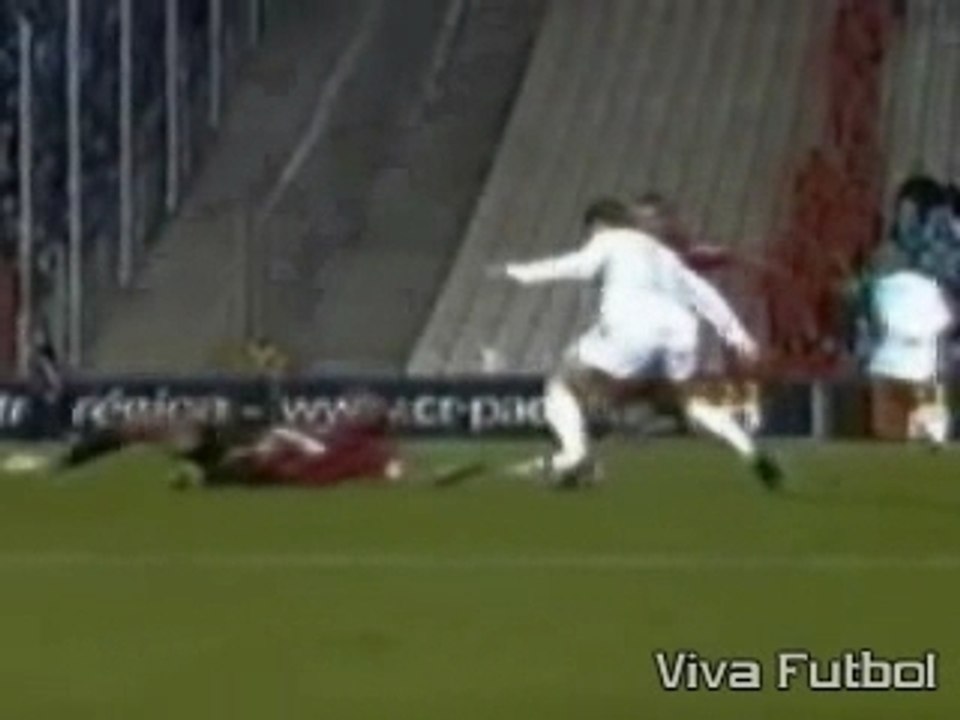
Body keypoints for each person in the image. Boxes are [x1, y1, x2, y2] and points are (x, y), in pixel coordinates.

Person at [488, 197, 783, 489]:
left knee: (563, 383)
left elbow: (578, 266)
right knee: (685, 401)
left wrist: (517, 272)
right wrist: (741, 338)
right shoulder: (663, 254)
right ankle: (748, 449)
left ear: (599, 225)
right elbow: (704, 294)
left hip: (633, 330)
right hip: (680, 334)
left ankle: (574, 455)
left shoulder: (610, 239)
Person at [863, 259, 953, 446]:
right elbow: (943, 321)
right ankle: (927, 436)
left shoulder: (883, 287)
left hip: (890, 363)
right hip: (921, 365)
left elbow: (880, 322)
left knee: (888, 426)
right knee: (927, 424)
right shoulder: (929, 288)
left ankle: (916, 435)